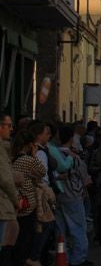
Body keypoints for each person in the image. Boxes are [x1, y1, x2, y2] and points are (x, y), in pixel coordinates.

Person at [56, 125, 91, 266]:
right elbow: (85, 178)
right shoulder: (74, 157)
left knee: (60, 231)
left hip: (58, 196)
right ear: (71, 138)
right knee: (78, 229)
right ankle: (78, 259)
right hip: (74, 197)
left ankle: (63, 257)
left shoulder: (53, 154)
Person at [12, 131, 42, 266]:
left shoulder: (11, 158)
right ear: (30, 145)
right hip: (27, 203)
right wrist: (35, 155)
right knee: (26, 236)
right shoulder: (28, 160)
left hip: (14, 201)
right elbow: (42, 170)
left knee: (15, 237)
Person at [0, 113, 19, 266]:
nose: (11, 129)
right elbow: (5, 179)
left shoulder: (4, 147)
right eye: (8, 125)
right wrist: (16, 199)